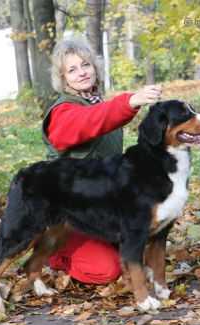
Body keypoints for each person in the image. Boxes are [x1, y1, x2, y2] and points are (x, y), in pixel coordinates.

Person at [42, 37, 162, 285]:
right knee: (105, 270)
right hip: (70, 213)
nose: (82, 73)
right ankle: (56, 256)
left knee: (140, 246)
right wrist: (128, 102)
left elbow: (101, 118)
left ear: (95, 67)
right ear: (63, 79)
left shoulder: (98, 105)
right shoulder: (62, 111)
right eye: (72, 70)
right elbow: (87, 121)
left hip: (104, 206)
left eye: (85, 65)